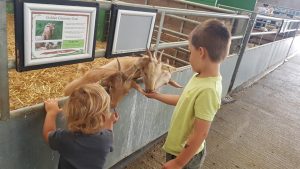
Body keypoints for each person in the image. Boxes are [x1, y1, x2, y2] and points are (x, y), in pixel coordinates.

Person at [142, 19, 231, 169]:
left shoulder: (209, 90)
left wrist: (178, 163)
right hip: (178, 150)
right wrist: (157, 96)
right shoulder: (200, 77)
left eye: (190, 52)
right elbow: (184, 100)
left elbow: (200, 134)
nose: (189, 58)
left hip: (186, 157)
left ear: (201, 52)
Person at [43, 84, 119, 169]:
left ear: (70, 114)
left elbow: (48, 133)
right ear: (103, 117)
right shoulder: (106, 139)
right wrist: (110, 122)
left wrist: (51, 113)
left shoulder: (64, 138)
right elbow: (108, 130)